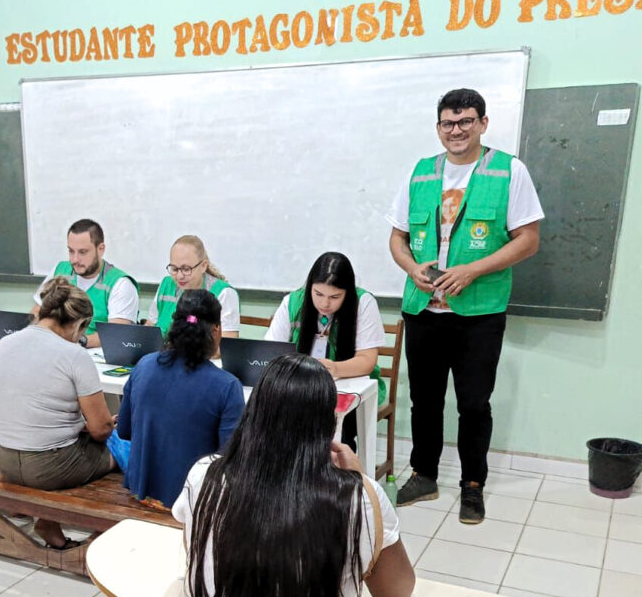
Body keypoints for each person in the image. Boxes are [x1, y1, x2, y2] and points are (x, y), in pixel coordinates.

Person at [170, 354, 416, 597]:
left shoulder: (204, 476)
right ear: (327, 427)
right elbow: (397, 595)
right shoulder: (357, 499)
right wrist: (363, 485)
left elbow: (195, 551)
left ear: (254, 413)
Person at [387, 88, 544, 524]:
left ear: (483, 123)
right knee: (425, 401)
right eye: (448, 123)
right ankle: (423, 474)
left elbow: (528, 241)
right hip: (424, 310)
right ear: (438, 127)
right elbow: (397, 238)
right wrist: (411, 266)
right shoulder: (420, 173)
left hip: (479, 314)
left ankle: (473, 484)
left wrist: (472, 270)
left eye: (465, 121)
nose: (456, 130)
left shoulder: (509, 171)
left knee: (474, 404)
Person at [0, 277, 115, 548]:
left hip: (6, 460)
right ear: (79, 325)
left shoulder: (3, 345)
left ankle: (50, 525)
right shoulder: (74, 355)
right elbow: (101, 429)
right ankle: (106, 533)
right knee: (122, 452)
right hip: (51, 467)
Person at [119, 289, 244, 508]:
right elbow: (229, 459)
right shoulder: (227, 385)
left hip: (141, 494)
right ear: (215, 330)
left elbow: (124, 431)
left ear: (174, 325)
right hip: (190, 502)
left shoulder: (144, 365)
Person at [265, 252, 386, 449]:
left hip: (346, 387)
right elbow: (270, 352)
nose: (325, 303)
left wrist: (335, 369)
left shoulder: (363, 303)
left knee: (335, 437)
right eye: (318, 294)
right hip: (298, 389)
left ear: (347, 292)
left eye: (335, 297)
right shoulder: (293, 301)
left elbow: (367, 360)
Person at [31, 218, 139, 348]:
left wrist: (76, 341)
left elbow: (115, 335)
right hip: (56, 348)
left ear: (100, 249)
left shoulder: (120, 283)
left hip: (95, 357)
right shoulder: (60, 270)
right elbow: (37, 312)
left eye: (83, 252)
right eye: (71, 251)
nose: (75, 259)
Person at [146, 235, 240, 337]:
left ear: (203, 266)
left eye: (186, 269)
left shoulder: (224, 293)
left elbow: (227, 342)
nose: (179, 276)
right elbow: (150, 327)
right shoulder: (166, 285)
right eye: (174, 269)